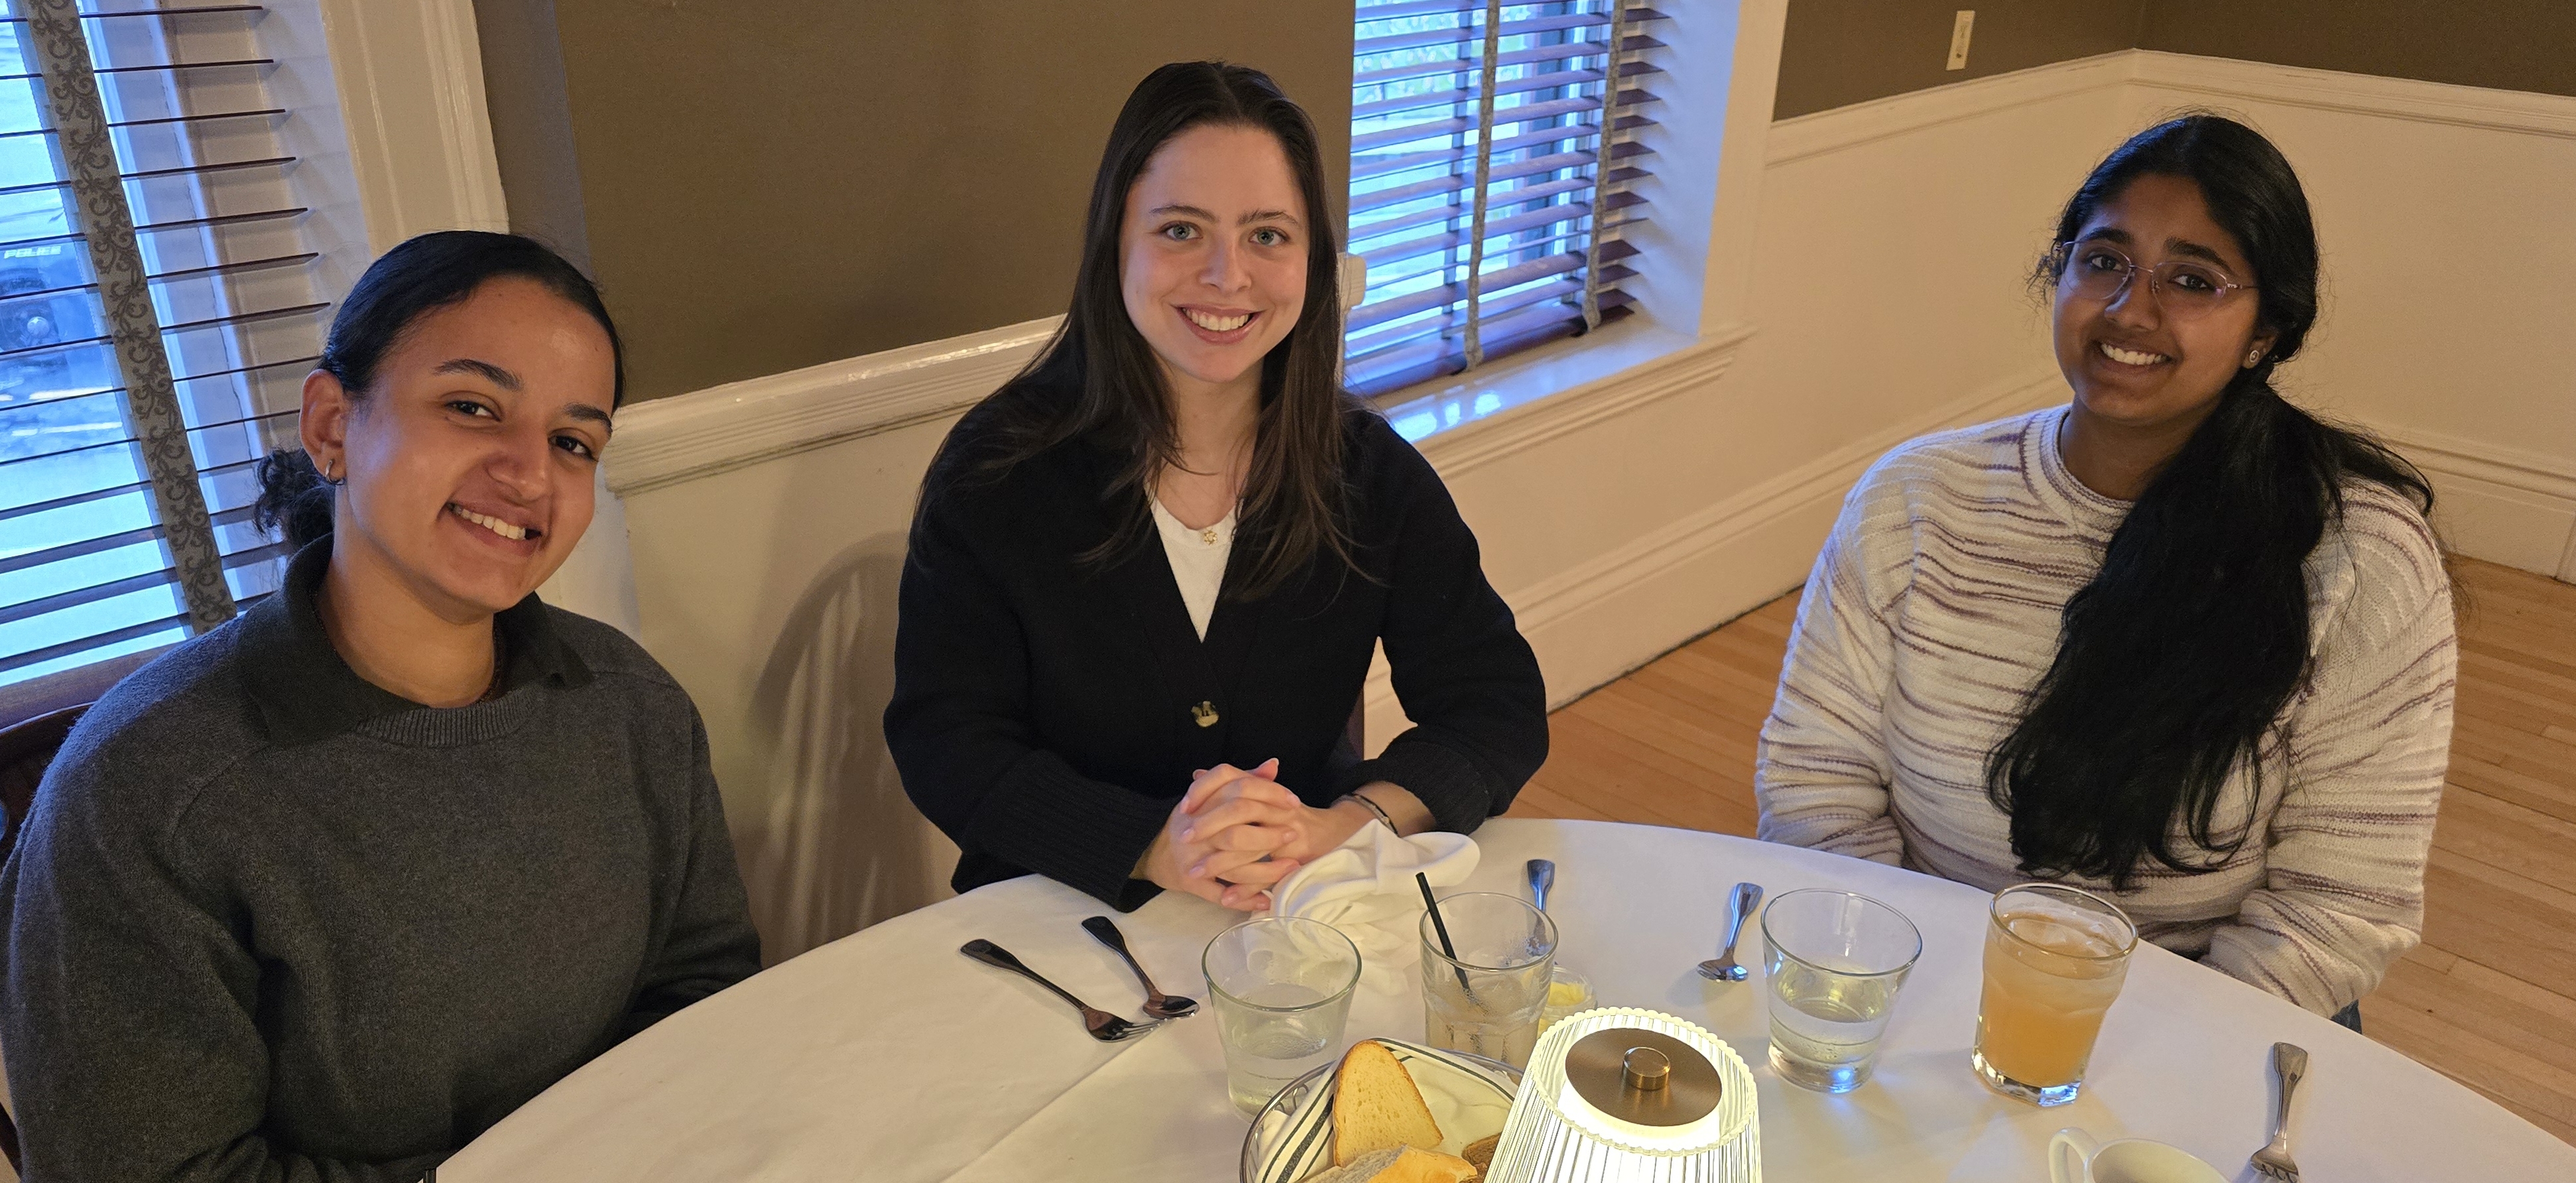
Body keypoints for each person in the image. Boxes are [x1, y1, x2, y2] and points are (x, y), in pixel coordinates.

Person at [0, 231, 763, 1181]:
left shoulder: (632, 706)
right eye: (472, 407)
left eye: (573, 442)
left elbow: (706, 989)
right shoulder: (149, 792)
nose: (530, 475)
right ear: (331, 426)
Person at [1754, 115, 2454, 1025]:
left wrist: (2121, 1054)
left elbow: (2338, 907)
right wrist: (1895, 983)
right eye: (2103, 262)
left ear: (2265, 331)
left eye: (2193, 281)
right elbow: (1815, 777)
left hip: (2195, 1021)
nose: (2130, 310)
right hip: (1916, 978)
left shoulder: (2360, 558)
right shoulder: (1914, 498)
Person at [885, 62, 1547, 913]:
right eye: (1180, 230)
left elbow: (1495, 704)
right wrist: (1155, 845)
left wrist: (1345, 824)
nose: (1228, 275)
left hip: (1299, 910)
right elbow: (947, 740)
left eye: (1267, 235)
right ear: (1114, 244)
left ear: (1312, 261)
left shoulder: (1368, 474)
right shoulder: (998, 474)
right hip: (1059, 915)